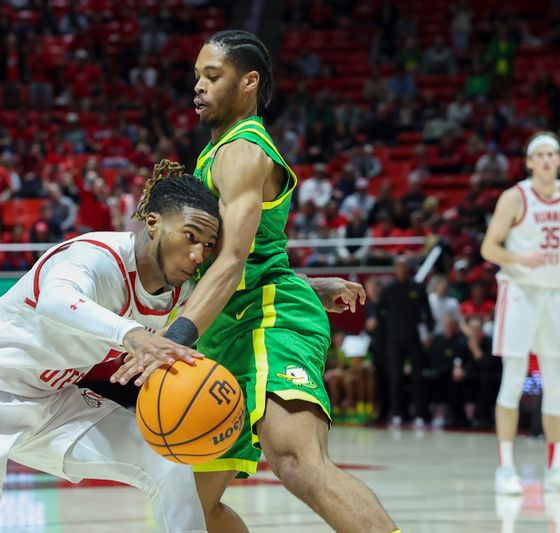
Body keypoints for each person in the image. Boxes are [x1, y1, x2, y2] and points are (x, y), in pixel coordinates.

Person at [113, 30, 398, 533]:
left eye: (212, 76)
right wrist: (309, 283)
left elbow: (232, 263)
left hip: (266, 319)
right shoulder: (216, 152)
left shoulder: (242, 151)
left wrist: (172, 339)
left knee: (295, 459)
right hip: (229, 325)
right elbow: (238, 255)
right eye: (196, 76)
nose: (198, 87)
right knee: (193, 508)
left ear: (249, 82)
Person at [0, 163, 220, 533]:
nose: (198, 255)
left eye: (207, 245)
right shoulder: (95, 256)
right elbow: (55, 300)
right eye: (190, 236)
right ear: (153, 223)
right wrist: (131, 334)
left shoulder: (181, 290)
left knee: (168, 460)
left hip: (54, 403)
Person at [480, 131, 560, 495]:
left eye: (552, 154)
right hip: (519, 294)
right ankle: (506, 467)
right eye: (540, 155)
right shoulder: (515, 197)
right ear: (529, 162)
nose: (546, 160)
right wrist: (518, 258)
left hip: (554, 294)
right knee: (513, 380)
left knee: (557, 388)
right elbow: (488, 248)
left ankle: (555, 466)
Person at [378, 257, 434, 428]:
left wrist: (428, 333)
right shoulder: (388, 290)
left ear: (409, 268)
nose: (402, 269)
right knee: (395, 378)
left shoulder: (417, 288)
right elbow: (381, 315)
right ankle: (397, 413)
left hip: (414, 339)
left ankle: (420, 414)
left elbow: (427, 313)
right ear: (395, 268)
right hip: (394, 341)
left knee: (418, 377)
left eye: (405, 266)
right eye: (399, 266)